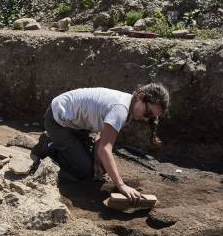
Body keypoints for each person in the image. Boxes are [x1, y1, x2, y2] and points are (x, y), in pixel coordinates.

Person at [37, 83, 170, 203]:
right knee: (83, 169)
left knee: (101, 166)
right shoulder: (120, 109)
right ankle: (48, 145)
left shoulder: (129, 106)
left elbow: (101, 137)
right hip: (57, 120)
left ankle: (65, 145)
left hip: (77, 126)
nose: (146, 118)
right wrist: (121, 185)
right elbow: (105, 149)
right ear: (141, 96)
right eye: (147, 112)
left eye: (151, 117)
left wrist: (96, 162)